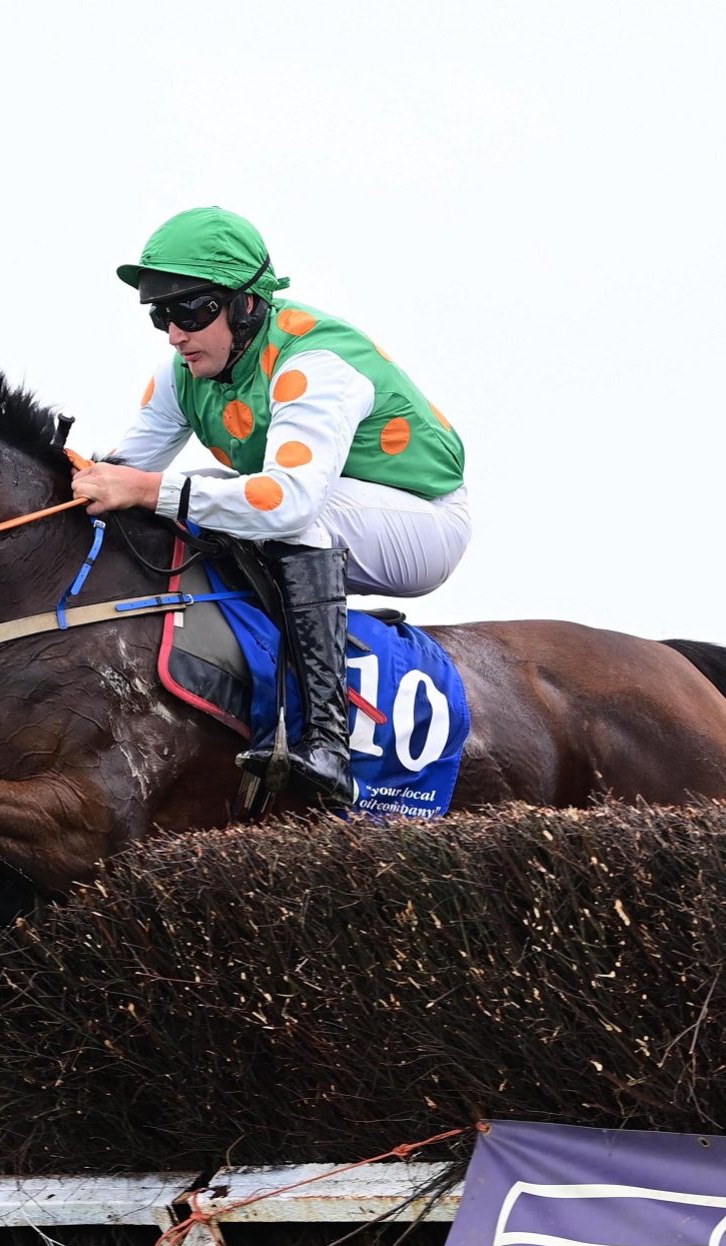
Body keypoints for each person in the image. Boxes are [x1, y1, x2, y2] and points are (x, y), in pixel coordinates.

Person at [73, 206, 471, 806]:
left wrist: (146, 490)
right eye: (161, 315)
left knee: (282, 510)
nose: (176, 332)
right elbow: (120, 476)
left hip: (422, 519)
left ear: (247, 304)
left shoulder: (311, 366)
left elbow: (286, 503)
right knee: (191, 491)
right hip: (319, 508)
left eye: (192, 310)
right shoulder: (181, 375)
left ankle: (329, 744)